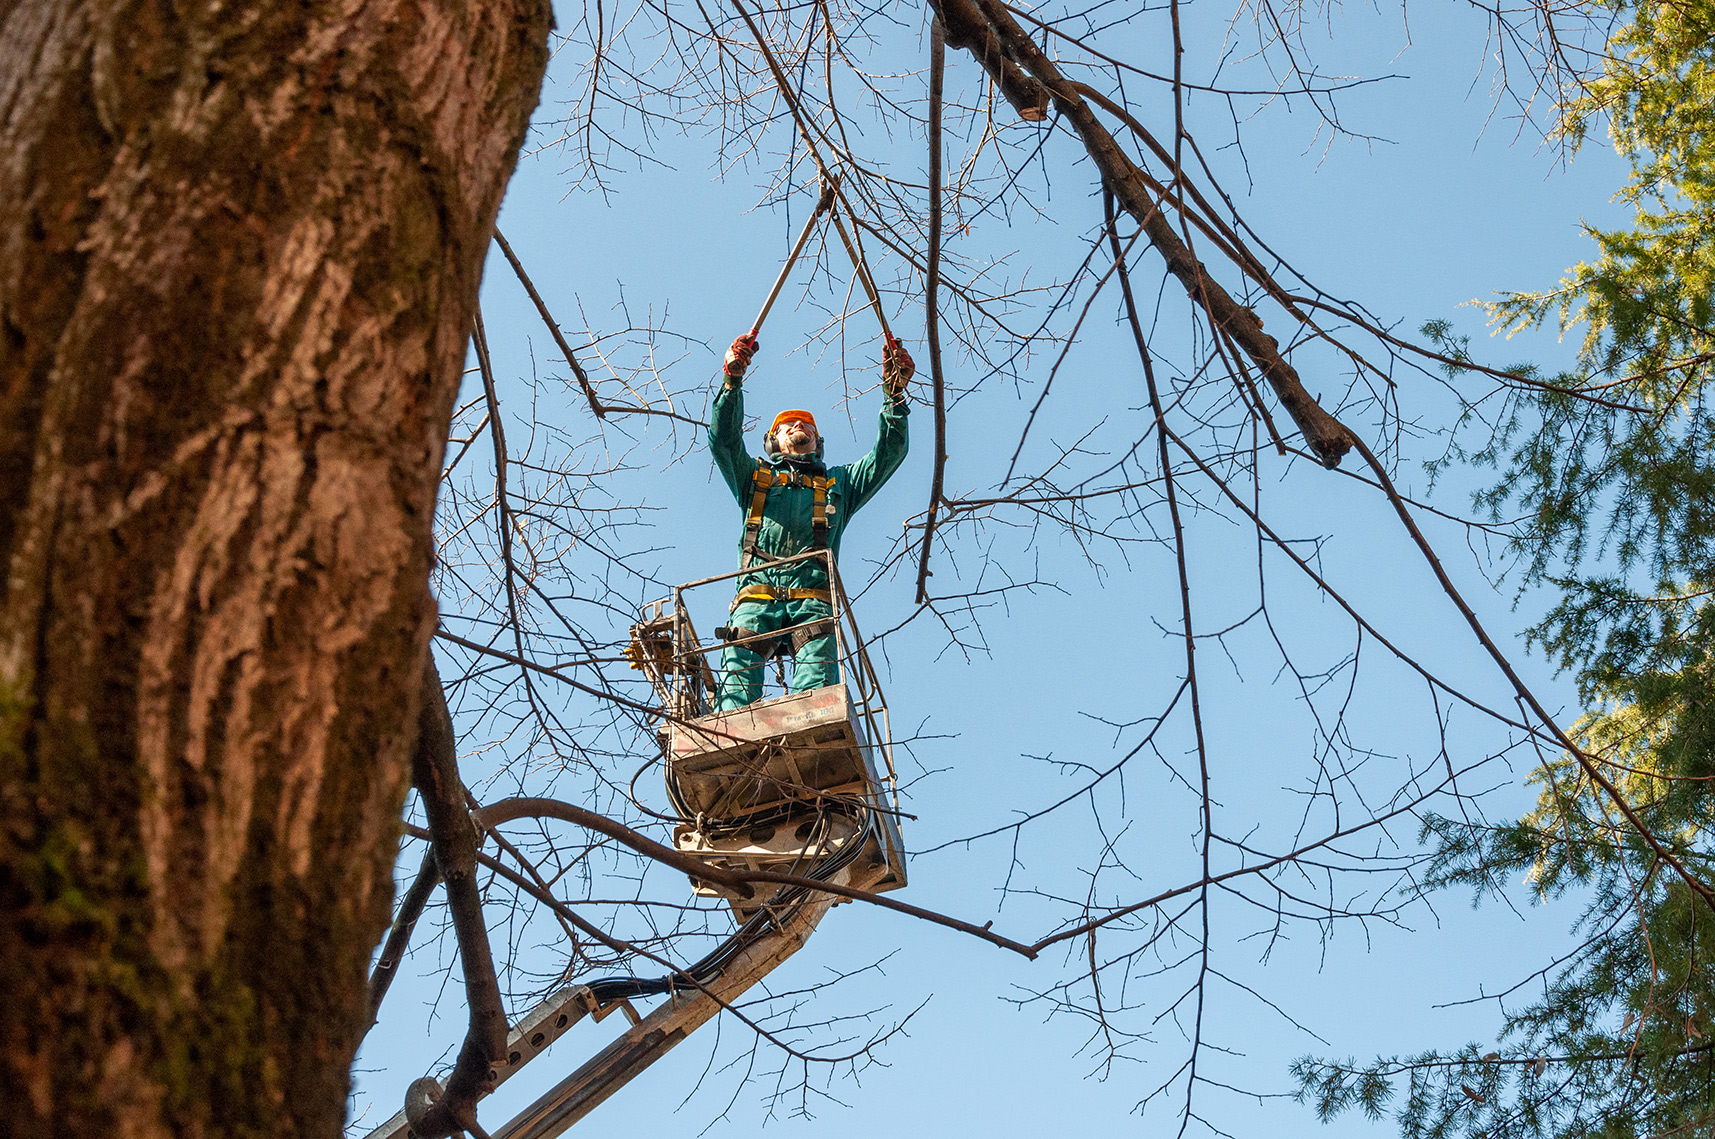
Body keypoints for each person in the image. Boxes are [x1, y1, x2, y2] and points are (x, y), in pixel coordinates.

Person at [706, 330, 912, 712]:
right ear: (773, 443)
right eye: (787, 427)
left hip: (813, 599)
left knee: (816, 688)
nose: (798, 427)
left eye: (807, 427)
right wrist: (732, 382)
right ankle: (729, 726)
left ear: (817, 442)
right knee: (738, 675)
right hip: (756, 596)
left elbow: (889, 452)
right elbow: (724, 440)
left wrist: (894, 396)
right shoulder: (755, 479)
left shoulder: (838, 485)